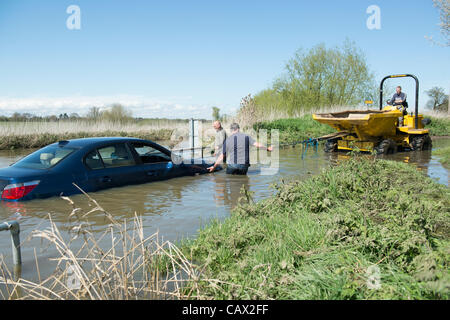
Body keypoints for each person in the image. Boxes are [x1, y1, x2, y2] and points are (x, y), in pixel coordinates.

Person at [207, 123, 273, 175]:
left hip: (233, 165)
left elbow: (222, 156)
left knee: (230, 180)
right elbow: (257, 145)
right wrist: (267, 148)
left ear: (231, 130)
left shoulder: (228, 140)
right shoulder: (246, 137)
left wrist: (214, 167)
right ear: (238, 129)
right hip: (244, 165)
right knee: (243, 183)